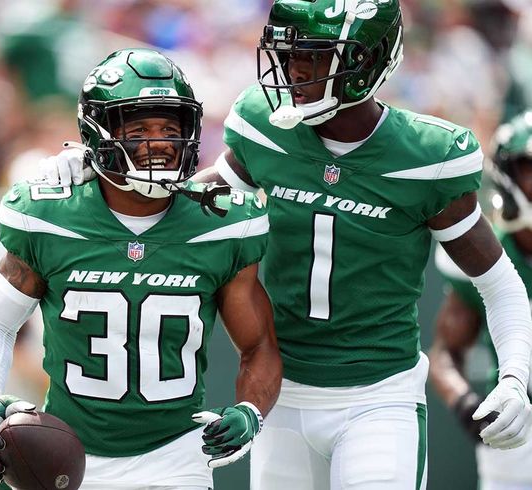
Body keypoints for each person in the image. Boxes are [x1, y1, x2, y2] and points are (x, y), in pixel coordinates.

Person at [39, 2, 532, 489]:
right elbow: (192, 200)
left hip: (377, 396)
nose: (289, 70)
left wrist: (513, 376)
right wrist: (103, 171)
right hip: (282, 396)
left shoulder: (427, 157)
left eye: (310, 57)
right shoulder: (264, 124)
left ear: (366, 61)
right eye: (285, 54)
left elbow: (498, 281)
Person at [0, 48, 282, 490]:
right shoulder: (48, 215)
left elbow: (260, 345)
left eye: (171, 127)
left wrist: (250, 411)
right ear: (97, 133)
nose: (160, 143)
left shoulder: (223, 225)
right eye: (139, 128)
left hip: (178, 455)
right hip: (71, 455)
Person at [431, 111, 532, 490]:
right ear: (508, 176)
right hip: (517, 425)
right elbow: (444, 352)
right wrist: (465, 404)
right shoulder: (487, 255)